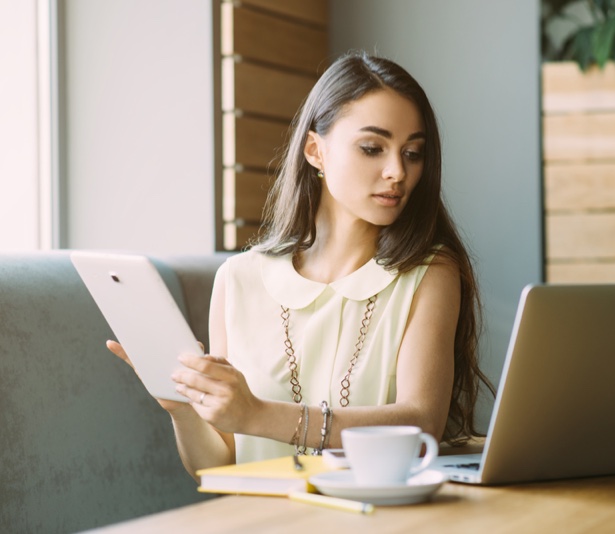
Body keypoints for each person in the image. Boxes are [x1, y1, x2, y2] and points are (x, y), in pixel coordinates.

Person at [108, 50, 493, 481]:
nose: (396, 171)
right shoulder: (239, 280)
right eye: (372, 148)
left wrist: (256, 415)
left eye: (413, 153)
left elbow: (421, 423)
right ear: (315, 151)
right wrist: (182, 408)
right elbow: (216, 467)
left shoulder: (429, 272)